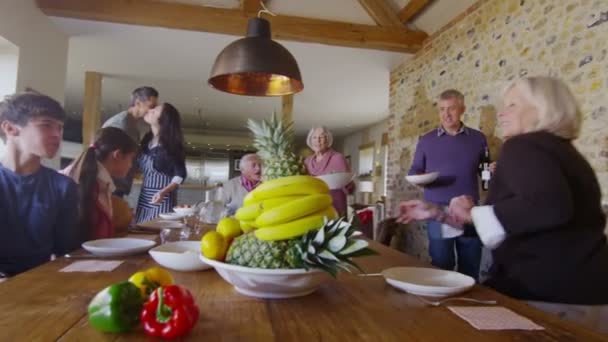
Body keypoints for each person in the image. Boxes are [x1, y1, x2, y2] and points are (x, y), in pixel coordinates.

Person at [398, 76, 608, 332]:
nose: (502, 112)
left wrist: (473, 211)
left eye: (512, 105)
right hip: (591, 296)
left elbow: (547, 206)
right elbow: (526, 215)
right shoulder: (568, 154)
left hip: (547, 296)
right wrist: (439, 212)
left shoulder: (524, 145)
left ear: (541, 109)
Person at [408, 89, 488, 280]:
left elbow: (484, 173)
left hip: (469, 212)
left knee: (470, 266)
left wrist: (491, 175)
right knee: (441, 266)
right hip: (438, 212)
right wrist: (420, 177)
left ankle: (468, 307)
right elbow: (414, 171)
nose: (446, 114)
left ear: (462, 109)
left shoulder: (478, 138)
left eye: (451, 108)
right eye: (442, 109)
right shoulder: (426, 140)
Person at [0, 92, 80, 276]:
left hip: (39, 285)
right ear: (10, 128)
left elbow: (66, 253)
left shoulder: (63, 187)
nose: (57, 135)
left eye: (60, 128)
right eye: (46, 125)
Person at [61, 127, 137, 240]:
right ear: (117, 155)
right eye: (131, 159)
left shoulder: (81, 173)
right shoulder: (98, 185)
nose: (131, 165)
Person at [135, 103, 186, 223]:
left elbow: (180, 175)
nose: (149, 111)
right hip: (144, 196)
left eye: (154, 111)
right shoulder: (147, 140)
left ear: (162, 121)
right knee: (141, 230)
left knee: (157, 233)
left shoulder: (171, 145)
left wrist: (163, 192)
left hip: (162, 198)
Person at [102, 86, 158, 196]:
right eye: (151, 106)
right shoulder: (122, 124)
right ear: (138, 103)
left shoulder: (130, 123)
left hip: (115, 185)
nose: (153, 110)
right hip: (111, 186)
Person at [304, 126, 353, 217]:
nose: (318, 140)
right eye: (314, 137)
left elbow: (350, 187)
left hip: (335, 206)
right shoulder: (307, 162)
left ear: (328, 139)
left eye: (321, 137)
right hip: (314, 207)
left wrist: (344, 182)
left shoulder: (338, 158)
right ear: (310, 141)